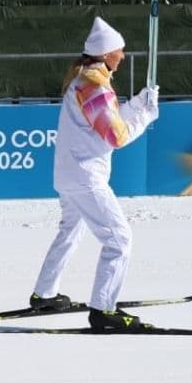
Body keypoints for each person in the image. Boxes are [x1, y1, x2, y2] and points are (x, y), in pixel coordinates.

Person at [28, 16, 160, 331]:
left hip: (70, 175)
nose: (124, 56)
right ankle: (104, 309)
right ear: (105, 54)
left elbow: (107, 120)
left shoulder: (85, 81)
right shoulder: (94, 86)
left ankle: (44, 293)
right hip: (86, 178)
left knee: (71, 230)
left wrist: (139, 104)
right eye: (120, 50)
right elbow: (115, 136)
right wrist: (146, 117)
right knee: (119, 239)